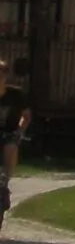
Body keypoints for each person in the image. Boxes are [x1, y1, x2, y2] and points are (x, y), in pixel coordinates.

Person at [0, 55, 29, 232]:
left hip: (8, 133)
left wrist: (19, 131)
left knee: (11, 145)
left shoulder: (15, 95)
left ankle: (5, 181)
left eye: (3, 72)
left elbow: (26, 115)